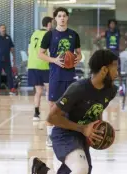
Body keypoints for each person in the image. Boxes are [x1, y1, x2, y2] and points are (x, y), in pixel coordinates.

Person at [29, 49, 119, 174]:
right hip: (64, 132)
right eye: (115, 67)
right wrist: (82, 128)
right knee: (81, 168)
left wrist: (96, 130)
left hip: (82, 135)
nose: (117, 72)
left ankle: (41, 169)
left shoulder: (111, 90)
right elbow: (52, 118)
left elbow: (97, 110)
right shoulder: (78, 89)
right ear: (104, 70)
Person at [38, 7, 82, 147]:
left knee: (70, 106)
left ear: (67, 18)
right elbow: (41, 54)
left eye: (64, 16)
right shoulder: (49, 35)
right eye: (59, 16)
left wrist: (78, 58)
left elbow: (79, 53)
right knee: (52, 105)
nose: (62, 18)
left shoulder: (74, 35)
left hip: (70, 75)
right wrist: (55, 60)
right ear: (55, 19)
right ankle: (50, 135)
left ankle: (67, 134)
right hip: (55, 74)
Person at [94, 19, 127, 96]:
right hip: (108, 55)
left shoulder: (118, 32)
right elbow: (95, 41)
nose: (112, 25)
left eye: (114, 24)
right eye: (111, 24)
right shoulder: (106, 33)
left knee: (118, 72)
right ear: (109, 25)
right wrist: (102, 49)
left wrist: (123, 48)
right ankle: (105, 89)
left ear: (115, 25)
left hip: (116, 54)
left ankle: (120, 89)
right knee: (106, 72)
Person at [28, 16, 53, 121]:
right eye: (52, 23)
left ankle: (36, 113)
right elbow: (50, 51)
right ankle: (51, 114)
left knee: (38, 91)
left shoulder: (34, 33)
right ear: (49, 24)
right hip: (44, 65)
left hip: (32, 65)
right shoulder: (48, 34)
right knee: (49, 90)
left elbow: (29, 49)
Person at [0, 24, 17, 95]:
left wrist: (14, 58)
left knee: (10, 75)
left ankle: (12, 88)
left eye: (4, 28)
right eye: (2, 28)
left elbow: (12, 48)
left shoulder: (8, 37)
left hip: (7, 60)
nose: (3, 29)